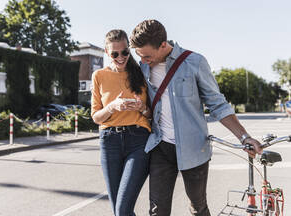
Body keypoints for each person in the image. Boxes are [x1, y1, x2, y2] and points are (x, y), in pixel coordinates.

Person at [129, 19, 263, 216]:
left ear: (163, 45)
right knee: (157, 211)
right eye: (140, 56)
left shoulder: (194, 62)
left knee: (198, 208)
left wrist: (244, 137)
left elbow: (217, 104)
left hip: (193, 148)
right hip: (160, 147)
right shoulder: (144, 67)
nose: (143, 61)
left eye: (147, 56)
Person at [91, 29, 151, 216]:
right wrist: (112, 106)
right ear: (107, 53)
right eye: (115, 53)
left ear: (129, 50)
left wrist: (141, 107)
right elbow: (96, 117)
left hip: (138, 141)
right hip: (109, 142)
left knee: (123, 210)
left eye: (125, 52)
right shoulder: (99, 76)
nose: (120, 57)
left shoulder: (141, 73)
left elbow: (151, 115)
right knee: (119, 211)